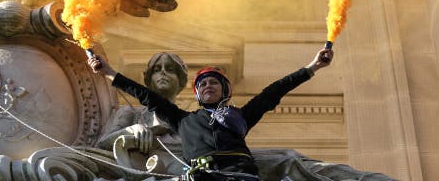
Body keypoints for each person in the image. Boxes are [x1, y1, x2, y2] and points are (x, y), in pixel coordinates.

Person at [88, 48, 333, 181]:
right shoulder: (184, 120)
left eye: (214, 83)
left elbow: (273, 92)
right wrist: (108, 72)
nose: (208, 86)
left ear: (224, 91)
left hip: (242, 176)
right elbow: (145, 96)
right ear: (197, 94)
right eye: (203, 84)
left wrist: (313, 67)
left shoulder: (240, 117)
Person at [97, 52, 188, 175]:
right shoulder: (131, 112)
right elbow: (102, 145)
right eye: (156, 70)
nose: (163, 72)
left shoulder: (189, 122)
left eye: (170, 69)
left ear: (181, 81)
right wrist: (132, 130)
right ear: (149, 80)